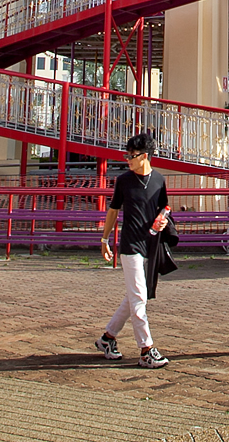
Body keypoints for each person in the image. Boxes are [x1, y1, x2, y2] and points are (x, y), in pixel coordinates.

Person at [97, 132, 171, 369]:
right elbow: (113, 210)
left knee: (134, 297)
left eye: (132, 155)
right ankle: (146, 349)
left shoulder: (159, 180)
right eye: (127, 155)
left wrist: (163, 219)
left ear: (145, 156)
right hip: (130, 246)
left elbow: (164, 208)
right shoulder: (124, 181)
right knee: (139, 297)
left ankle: (107, 338)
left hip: (150, 244)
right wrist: (105, 239)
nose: (128, 159)